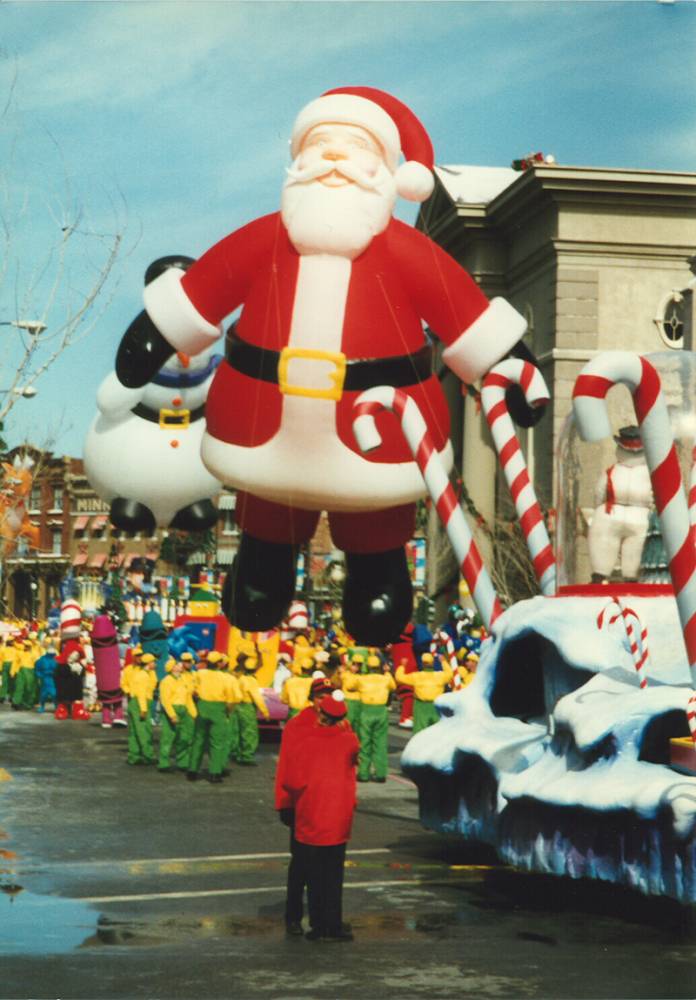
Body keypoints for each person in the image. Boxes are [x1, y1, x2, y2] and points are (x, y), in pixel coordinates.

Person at [115, 87, 541, 649]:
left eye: (355, 148)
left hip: (376, 425)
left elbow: (461, 312)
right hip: (262, 417)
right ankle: (262, 567)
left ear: (391, 174)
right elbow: (206, 287)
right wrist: (157, 333)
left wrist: (504, 360)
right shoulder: (266, 240)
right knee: (267, 507)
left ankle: (377, 575)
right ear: (297, 161)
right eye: (321, 145)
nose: (335, 159)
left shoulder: (406, 251)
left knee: (373, 514)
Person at [278, 690, 359, 942]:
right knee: (334, 874)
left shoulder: (305, 739)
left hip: (311, 815)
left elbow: (291, 780)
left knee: (311, 873)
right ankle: (332, 924)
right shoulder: (350, 740)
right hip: (338, 818)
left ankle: (316, 924)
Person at [274, 672, 334, 937]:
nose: (325, 702)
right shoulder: (298, 725)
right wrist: (285, 804)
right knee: (300, 865)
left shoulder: (339, 725)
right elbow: (286, 766)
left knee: (326, 867)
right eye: (321, 697)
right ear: (312, 699)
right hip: (303, 806)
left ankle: (322, 917)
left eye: (329, 697)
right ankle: (293, 917)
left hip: (327, 806)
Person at [343, 653, 396, 782]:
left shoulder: (362, 679)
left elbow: (349, 686)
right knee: (380, 743)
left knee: (365, 743)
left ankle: (363, 773)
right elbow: (393, 687)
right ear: (379, 666)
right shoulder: (386, 679)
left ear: (367, 666)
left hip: (366, 710)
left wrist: (351, 670)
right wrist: (387, 673)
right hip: (381, 711)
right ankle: (381, 773)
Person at [188, 650, 239, 782]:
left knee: (198, 739)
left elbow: (192, 690)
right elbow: (234, 699)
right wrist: (227, 712)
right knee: (217, 743)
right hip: (219, 709)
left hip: (202, 707)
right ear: (220, 664)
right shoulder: (228, 678)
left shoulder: (199, 674)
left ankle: (192, 771)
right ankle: (215, 773)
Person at [395, 651, 452, 734]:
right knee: (437, 732)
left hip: (421, 706)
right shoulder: (440, 676)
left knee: (419, 731)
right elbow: (450, 674)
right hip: (436, 707)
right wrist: (443, 661)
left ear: (422, 663)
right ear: (433, 663)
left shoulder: (417, 676)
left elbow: (399, 677)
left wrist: (402, 666)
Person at [158, 658, 198, 773]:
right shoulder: (166, 681)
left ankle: (183, 762)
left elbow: (188, 698)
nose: (180, 666)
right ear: (172, 668)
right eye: (177, 664)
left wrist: (194, 714)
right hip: (172, 709)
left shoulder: (183, 679)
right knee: (168, 737)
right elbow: (165, 700)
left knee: (185, 737)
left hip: (185, 709)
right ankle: (163, 763)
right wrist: (172, 715)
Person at [235, 655, 270, 765]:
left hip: (238, 706)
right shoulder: (251, 680)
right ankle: (247, 756)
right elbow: (257, 697)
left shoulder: (240, 678)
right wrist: (265, 712)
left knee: (239, 731)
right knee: (250, 732)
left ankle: (238, 754)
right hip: (247, 708)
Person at [125, 652, 158, 765]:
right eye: (153, 661)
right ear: (148, 663)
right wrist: (143, 709)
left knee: (134, 731)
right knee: (144, 730)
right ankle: (148, 755)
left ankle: (134, 756)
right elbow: (142, 694)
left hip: (137, 702)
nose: (155, 663)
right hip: (140, 703)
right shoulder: (143, 676)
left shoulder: (147, 673)